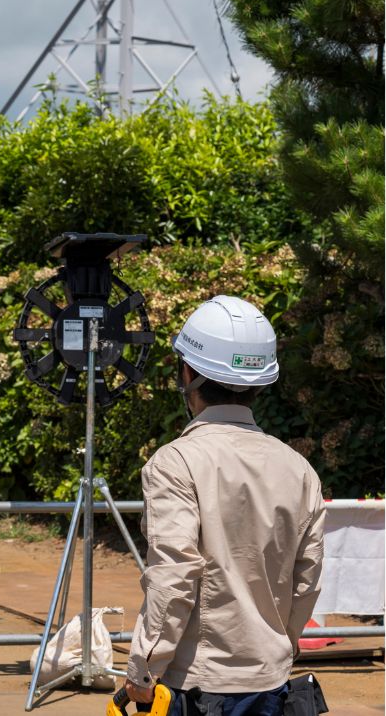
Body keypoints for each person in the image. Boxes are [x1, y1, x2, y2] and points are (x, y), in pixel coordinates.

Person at [125, 295, 325, 715]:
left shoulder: (176, 463)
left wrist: (144, 670)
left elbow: (174, 575)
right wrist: (276, 648)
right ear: (259, 383)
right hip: (270, 684)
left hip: (199, 685)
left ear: (188, 374)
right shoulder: (299, 469)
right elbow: (306, 584)